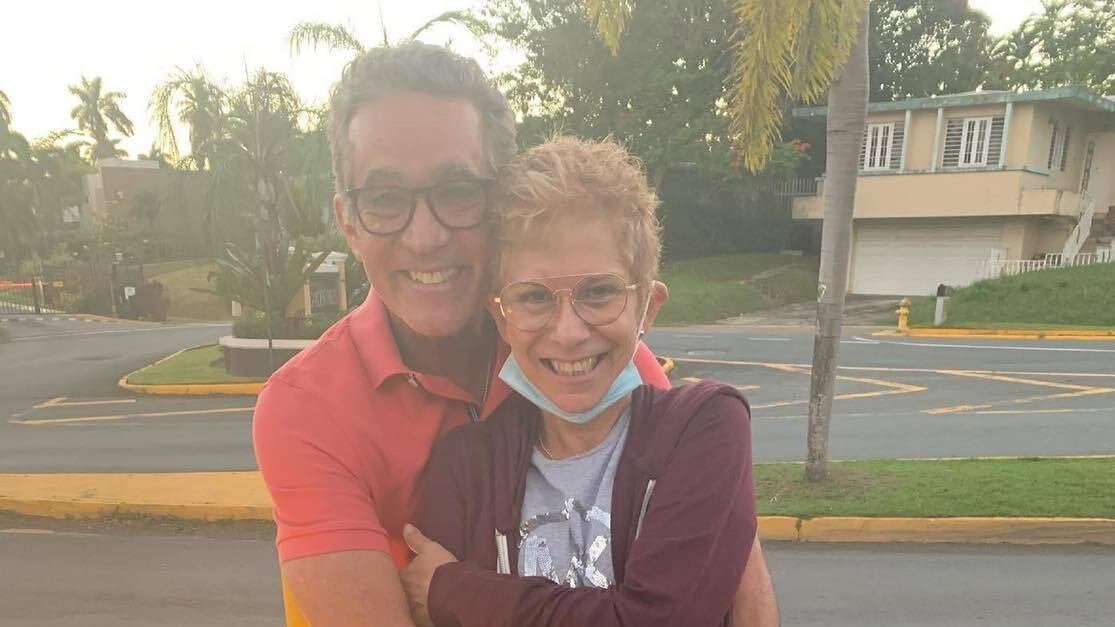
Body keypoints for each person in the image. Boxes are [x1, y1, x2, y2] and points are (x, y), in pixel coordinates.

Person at [252, 42, 778, 627]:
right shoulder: (308, 409)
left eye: (457, 192)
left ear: (497, 205)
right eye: (384, 199)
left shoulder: (573, 348)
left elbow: (735, 588)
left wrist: (458, 589)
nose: (424, 238)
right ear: (349, 222)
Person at [400, 136, 756, 627]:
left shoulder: (704, 426)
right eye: (533, 297)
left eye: (599, 292)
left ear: (647, 307)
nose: (568, 333)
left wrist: (456, 589)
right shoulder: (465, 468)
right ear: (500, 317)